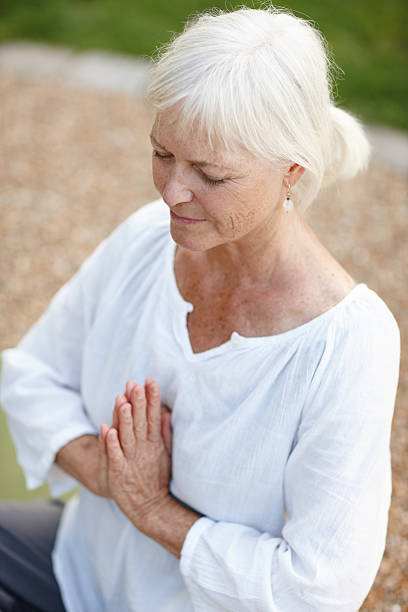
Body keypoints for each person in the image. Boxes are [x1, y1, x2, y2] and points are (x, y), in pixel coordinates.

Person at [0, 5, 401, 611]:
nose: (170, 191)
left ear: (291, 170)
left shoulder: (348, 342)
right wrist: (104, 472)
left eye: (210, 174)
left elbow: (318, 588)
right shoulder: (144, 236)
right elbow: (29, 374)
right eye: (163, 153)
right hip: (78, 572)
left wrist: (154, 510)